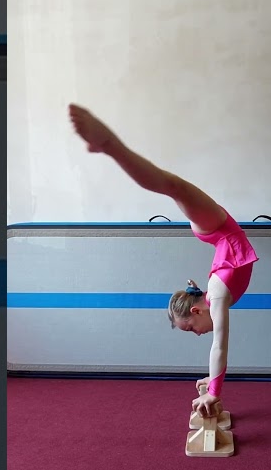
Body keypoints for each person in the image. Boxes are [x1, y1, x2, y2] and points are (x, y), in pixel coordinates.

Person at [68, 103, 260, 418]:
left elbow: (220, 345)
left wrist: (214, 390)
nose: (198, 334)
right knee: (173, 188)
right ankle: (109, 146)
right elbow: (218, 346)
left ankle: (110, 145)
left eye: (191, 329)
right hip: (217, 232)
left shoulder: (218, 298)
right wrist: (212, 383)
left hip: (218, 229)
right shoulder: (215, 296)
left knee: (173, 187)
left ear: (196, 310)